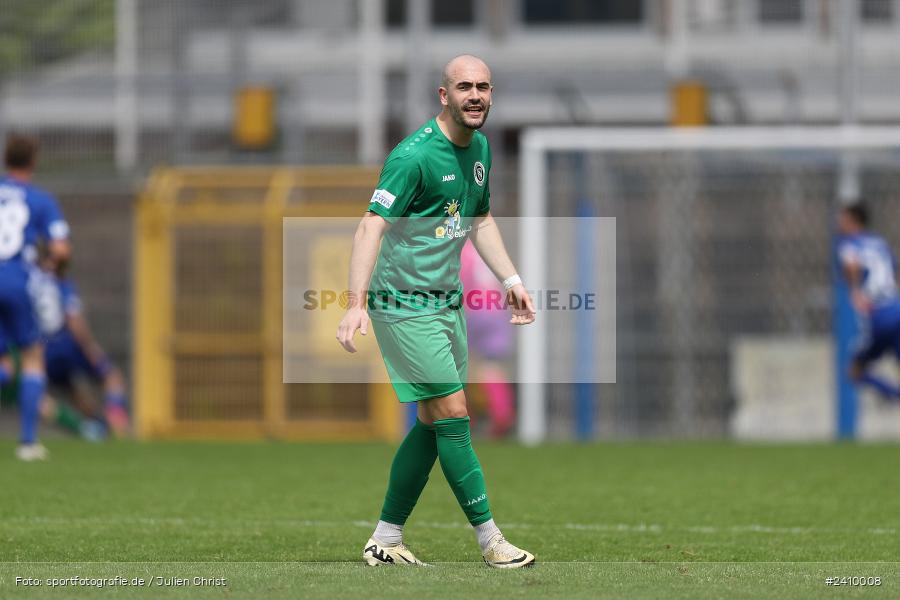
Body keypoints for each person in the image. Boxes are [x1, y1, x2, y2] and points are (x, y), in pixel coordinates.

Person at [336, 55, 537, 568]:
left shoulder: (482, 149)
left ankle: (384, 537)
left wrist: (510, 280)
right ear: (443, 96)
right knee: (453, 413)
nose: (476, 95)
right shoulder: (414, 157)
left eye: (484, 87)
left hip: (446, 303)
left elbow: (481, 219)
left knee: (430, 421)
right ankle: (491, 541)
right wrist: (355, 303)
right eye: (464, 86)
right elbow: (370, 227)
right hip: (402, 305)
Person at [0, 134, 71, 460]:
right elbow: (60, 248)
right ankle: (28, 442)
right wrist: (49, 266)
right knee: (32, 356)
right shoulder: (40, 200)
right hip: (17, 280)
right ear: (33, 161)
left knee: (3, 366)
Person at [29, 251, 129, 437]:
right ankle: (118, 427)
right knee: (111, 376)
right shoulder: (60, 282)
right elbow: (74, 319)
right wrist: (90, 347)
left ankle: (89, 431)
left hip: (40, 347)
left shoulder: (28, 283)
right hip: (66, 342)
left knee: (61, 394)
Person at [836, 202, 900, 401]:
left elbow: (852, 264)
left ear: (852, 220)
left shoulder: (848, 243)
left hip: (878, 315)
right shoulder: (879, 243)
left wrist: (855, 291)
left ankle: (894, 394)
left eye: (842, 218)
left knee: (854, 370)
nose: (838, 223)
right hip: (897, 309)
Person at [460, 240, 516, 437]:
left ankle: (462, 417)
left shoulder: (457, 246)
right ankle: (502, 415)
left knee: (457, 364)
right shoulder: (485, 245)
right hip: (493, 309)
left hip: (470, 309)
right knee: (491, 366)